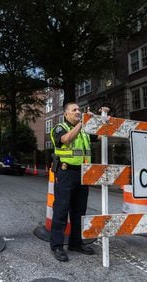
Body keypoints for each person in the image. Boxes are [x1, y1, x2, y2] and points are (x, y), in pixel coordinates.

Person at [49, 102, 110, 262]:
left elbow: (101, 134)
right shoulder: (59, 128)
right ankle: (56, 245)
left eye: (79, 110)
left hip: (83, 174)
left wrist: (102, 118)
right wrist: (83, 122)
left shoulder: (84, 131)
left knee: (79, 211)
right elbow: (67, 139)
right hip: (66, 172)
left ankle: (75, 243)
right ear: (66, 114)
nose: (77, 112)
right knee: (61, 210)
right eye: (74, 110)